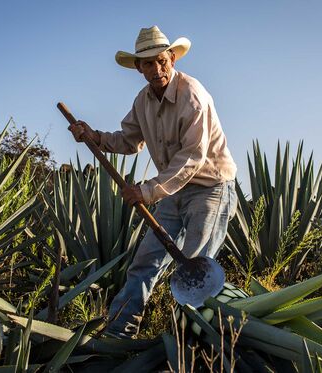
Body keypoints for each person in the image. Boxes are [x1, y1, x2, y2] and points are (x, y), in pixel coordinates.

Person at [69, 26, 238, 338]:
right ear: (138, 67)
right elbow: (129, 140)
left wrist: (147, 191)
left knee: (196, 270)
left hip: (210, 188)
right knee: (146, 260)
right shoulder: (143, 100)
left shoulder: (192, 96)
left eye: (161, 60)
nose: (156, 69)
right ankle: (120, 330)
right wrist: (95, 137)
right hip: (173, 191)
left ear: (172, 58)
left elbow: (192, 157)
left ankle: (190, 339)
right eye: (147, 63)